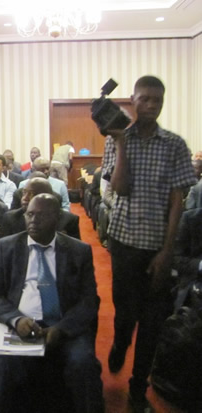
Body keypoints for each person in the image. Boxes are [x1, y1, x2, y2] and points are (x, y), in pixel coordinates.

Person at [102, 75, 196, 412]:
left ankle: (138, 387)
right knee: (125, 314)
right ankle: (120, 341)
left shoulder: (175, 144)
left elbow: (177, 201)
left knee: (153, 322)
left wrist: (168, 251)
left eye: (158, 100)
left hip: (158, 245)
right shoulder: (115, 138)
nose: (152, 105)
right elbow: (120, 188)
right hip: (124, 242)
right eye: (145, 99)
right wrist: (121, 143)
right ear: (133, 100)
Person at [0, 194, 103, 413]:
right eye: (29, 214)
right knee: (1, 368)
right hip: (20, 326)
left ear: (57, 218)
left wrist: (61, 329)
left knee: (83, 364)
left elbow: (89, 301)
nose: (33, 221)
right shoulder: (7, 247)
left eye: (41, 215)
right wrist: (16, 319)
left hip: (64, 326)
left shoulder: (79, 251)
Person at [1, 177, 80, 239]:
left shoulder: (68, 220)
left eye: (31, 194)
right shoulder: (10, 218)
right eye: (24, 193)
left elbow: (75, 250)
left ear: (46, 196)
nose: (25, 198)